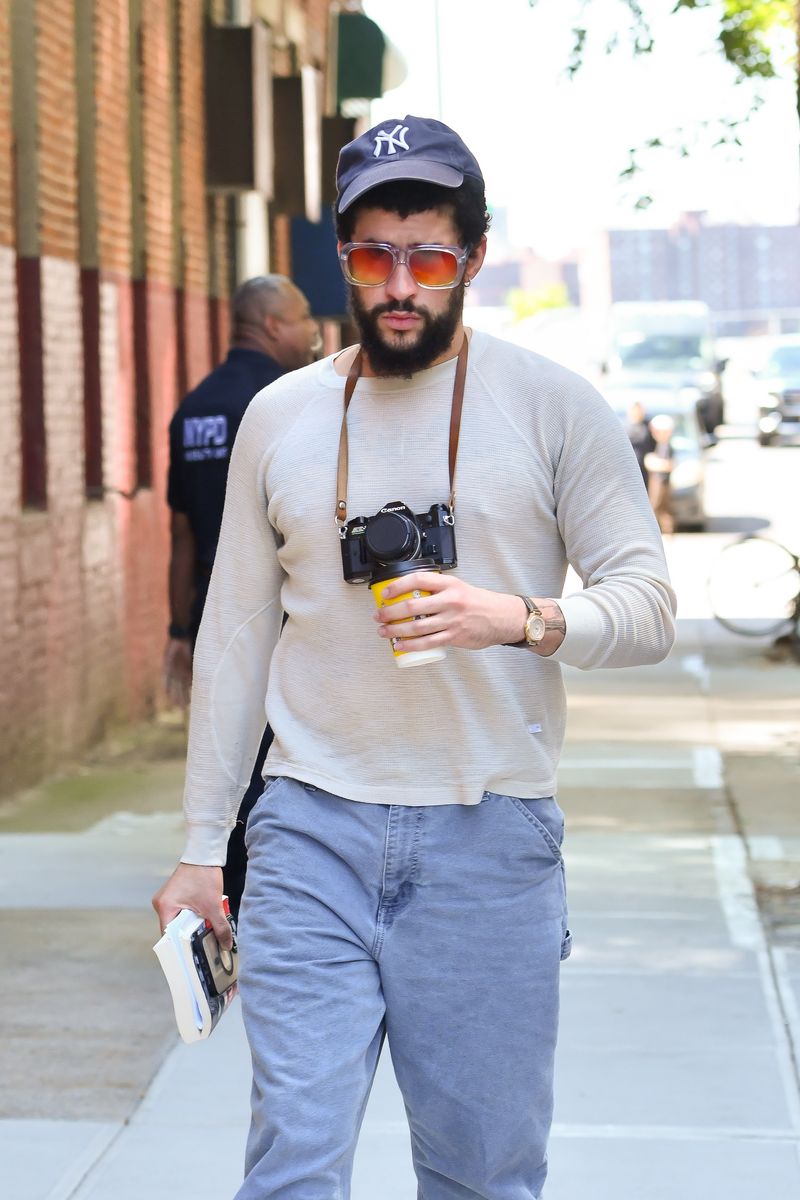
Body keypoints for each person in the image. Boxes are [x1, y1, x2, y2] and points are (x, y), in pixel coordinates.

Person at [153, 114, 676, 1200]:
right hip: (307, 830)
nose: (399, 285)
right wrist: (205, 844)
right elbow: (238, 636)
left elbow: (647, 606)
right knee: (291, 1166)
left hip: (489, 836)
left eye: (427, 257)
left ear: (472, 258)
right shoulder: (281, 414)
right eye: (371, 256)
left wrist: (516, 618)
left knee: (481, 1175)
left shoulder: (552, 408)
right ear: (341, 259)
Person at [163, 274, 319, 918]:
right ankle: (266, 897)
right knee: (280, 760)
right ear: (274, 323)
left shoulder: (194, 407)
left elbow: (178, 531)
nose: (314, 332)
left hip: (209, 604)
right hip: (277, 609)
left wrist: (179, 628)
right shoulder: (286, 403)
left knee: (228, 753)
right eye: (306, 317)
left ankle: (225, 884)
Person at [644, 413, 676, 536]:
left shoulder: (667, 446)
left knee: (659, 508)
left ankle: (665, 533)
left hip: (662, 482)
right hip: (657, 480)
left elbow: (669, 464)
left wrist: (654, 463)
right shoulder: (660, 445)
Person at [625, 399, 656, 488]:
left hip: (646, 470)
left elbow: (654, 445)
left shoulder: (648, 427)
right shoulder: (624, 428)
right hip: (630, 469)